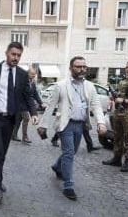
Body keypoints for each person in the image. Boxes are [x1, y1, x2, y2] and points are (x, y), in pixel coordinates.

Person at [0, 42, 38, 204]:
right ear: (7, 53)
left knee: (2, 153)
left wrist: (34, 113)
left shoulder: (23, 75)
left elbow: (28, 96)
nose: (15, 58)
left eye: (18, 55)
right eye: (13, 54)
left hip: (10, 119)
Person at [37, 56, 106, 200]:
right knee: (69, 153)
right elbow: (50, 107)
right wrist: (43, 125)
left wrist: (101, 122)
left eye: (84, 67)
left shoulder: (89, 86)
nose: (82, 69)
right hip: (65, 124)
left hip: (80, 125)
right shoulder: (61, 86)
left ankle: (57, 166)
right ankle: (68, 186)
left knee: (72, 151)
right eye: (78, 66)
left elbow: (96, 105)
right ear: (71, 68)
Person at [11, 66, 42, 144]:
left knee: (18, 120)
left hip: (25, 105)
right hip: (20, 105)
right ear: (27, 73)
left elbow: (35, 94)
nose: (33, 76)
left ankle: (13, 135)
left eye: (34, 74)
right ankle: (25, 137)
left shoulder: (32, 83)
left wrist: (41, 102)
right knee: (26, 118)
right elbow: (27, 96)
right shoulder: (22, 82)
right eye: (32, 74)